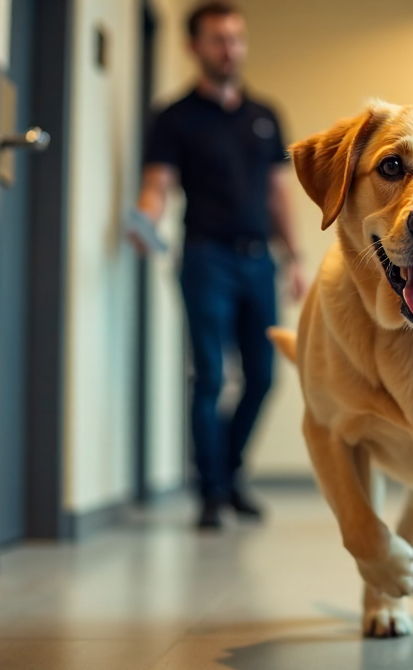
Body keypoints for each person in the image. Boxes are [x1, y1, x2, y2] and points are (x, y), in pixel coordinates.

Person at [136, 2, 307, 530]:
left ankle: (229, 475)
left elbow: (279, 192)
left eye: (236, 38)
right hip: (206, 258)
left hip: (259, 262)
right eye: (217, 39)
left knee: (264, 376)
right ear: (195, 47)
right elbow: (157, 185)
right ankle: (210, 493)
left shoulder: (265, 115)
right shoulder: (174, 116)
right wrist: (143, 223)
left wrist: (294, 256)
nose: (229, 48)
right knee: (209, 376)